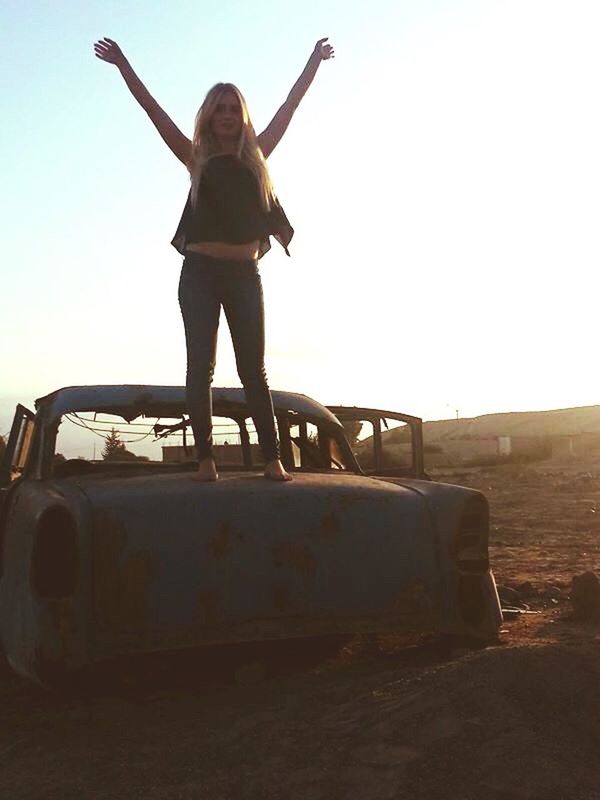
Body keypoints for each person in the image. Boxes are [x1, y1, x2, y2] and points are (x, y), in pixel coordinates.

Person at [94, 35, 335, 481]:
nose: (226, 116)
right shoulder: (196, 157)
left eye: (233, 109)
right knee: (200, 365)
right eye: (219, 109)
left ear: (242, 118)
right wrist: (124, 64)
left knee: (253, 370)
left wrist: (313, 61)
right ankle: (205, 459)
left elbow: (291, 104)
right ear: (209, 116)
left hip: (245, 273)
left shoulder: (258, 156)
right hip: (200, 273)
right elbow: (154, 112)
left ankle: (272, 459)